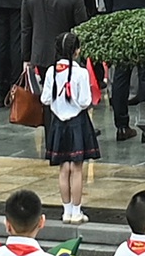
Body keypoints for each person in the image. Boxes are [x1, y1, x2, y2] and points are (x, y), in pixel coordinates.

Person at [36, 51, 100, 224]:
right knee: (76, 168)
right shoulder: (81, 73)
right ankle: (77, 212)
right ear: (76, 51)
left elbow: (45, 99)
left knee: (64, 168)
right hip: (77, 122)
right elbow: (85, 101)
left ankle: (67, 211)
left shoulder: (51, 71)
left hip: (58, 123)